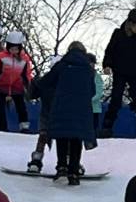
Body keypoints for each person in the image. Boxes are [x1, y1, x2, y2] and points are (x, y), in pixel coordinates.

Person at [37, 43, 96, 185]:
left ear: (69, 51)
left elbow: (45, 82)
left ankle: (62, 168)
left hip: (61, 107)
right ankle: (74, 172)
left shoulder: (62, 65)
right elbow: (92, 91)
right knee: (77, 139)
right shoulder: (88, 69)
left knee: (62, 136)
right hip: (81, 110)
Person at [102, 8, 136, 138]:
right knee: (116, 98)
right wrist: (107, 64)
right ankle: (107, 126)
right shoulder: (118, 34)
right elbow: (110, 50)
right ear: (129, 23)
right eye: (135, 25)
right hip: (120, 71)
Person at [0, 31, 33, 132]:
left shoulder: (24, 59)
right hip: (2, 85)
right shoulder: (1, 57)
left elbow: (27, 73)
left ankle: (24, 125)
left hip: (17, 86)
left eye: (16, 49)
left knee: (21, 107)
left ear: (20, 48)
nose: (14, 51)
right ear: (8, 47)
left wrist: (28, 84)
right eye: (11, 49)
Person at [26, 53, 61, 174]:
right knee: (43, 137)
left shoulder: (66, 82)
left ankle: (69, 162)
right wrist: (32, 83)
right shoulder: (45, 81)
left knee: (65, 140)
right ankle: (36, 160)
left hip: (61, 116)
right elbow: (32, 95)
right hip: (46, 115)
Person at [89, 51, 105, 146]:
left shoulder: (97, 76)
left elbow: (99, 92)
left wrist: (89, 100)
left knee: (93, 128)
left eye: (92, 63)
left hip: (94, 108)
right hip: (83, 109)